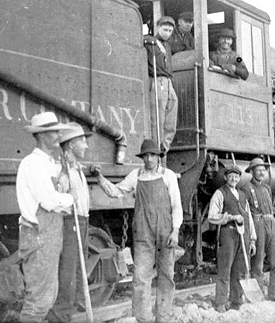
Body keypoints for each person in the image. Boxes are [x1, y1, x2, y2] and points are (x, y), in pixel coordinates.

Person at [96, 139, 182, 323]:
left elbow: (176, 206)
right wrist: (100, 178)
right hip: (143, 234)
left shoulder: (169, 176)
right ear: (142, 158)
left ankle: (163, 317)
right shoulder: (136, 176)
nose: (149, 159)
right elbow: (115, 192)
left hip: (166, 233)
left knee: (166, 276)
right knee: (140, 278)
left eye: (153, 155)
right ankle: (143, 318)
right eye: (146, 155)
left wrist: (175, 231)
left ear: (159, 157)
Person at [16, 112, 74, 322]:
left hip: (49, 236)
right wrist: (70, 198)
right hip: (39, 237)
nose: (59, 135)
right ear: (41, 135)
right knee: (38, 301)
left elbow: (58, 183)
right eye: (54, 132)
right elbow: (48, 201)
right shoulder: (33, 164)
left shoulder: (49, 163)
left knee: (48, 296)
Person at [51, 122, 94, 319]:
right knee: (68, 269)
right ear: (70, 146)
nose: (86, 146)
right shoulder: (64, 171)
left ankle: (76, 306)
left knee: (79, 267)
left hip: (82, 221)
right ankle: (61, 314)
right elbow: (58, 200)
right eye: (82, 141)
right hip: (70, 222)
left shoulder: (76, 168)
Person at [208, 165, 256, 313]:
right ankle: (221, 302)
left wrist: (253, 239)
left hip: (243, 235)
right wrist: (230, 217)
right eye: (230, 176)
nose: (233, 179)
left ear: (239, 178)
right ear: (225, 177)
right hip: (228, 234)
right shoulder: (220, 193)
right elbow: (212, 216)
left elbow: (249, 218)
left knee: (239, 270)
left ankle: (236, 301)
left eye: (236, 176)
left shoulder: (243, 195)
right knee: (225, 269)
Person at [242, 158, 275, 302]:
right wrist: (251, 235)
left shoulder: (267, 188)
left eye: (263, 170)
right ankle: (257, 295)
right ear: (252, 172)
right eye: (258, 170)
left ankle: (274, 293)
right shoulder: (246, 188)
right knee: (258, 261)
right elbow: (245, 213)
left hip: (271, 221)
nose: (261, 172)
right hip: (257, 222)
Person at [144, 16, 179, 154]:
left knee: (171, 113)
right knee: (158, 118)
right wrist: (147, 38)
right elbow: (138, 39)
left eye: (170, 31)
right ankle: (157, 149)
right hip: (157, 80)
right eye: (165, 29)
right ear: (158, 28)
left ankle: (164, 146)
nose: (167, 33)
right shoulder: (150, 42)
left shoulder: (167, 46)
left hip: (168, 81)